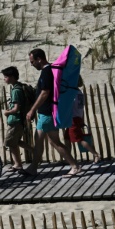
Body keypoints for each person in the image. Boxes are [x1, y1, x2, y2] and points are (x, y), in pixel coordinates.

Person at [23, 48, 80, 177]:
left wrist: (32, 110)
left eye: (32, 62)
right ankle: (33, 168)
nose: (31, 64)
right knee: (52, 141)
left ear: (39, 59)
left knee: (46, 141)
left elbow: (45, 93)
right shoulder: (48, 71)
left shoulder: (47, 72)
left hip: (47, 113)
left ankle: (74, 166)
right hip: (48, 112)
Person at [0, 66, 33, 172]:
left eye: (6, 76)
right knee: (15, 141)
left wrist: (7, 112)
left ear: (12, 77)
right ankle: (34, 152)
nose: (4, 79)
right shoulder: (18, 87)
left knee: (9, 142)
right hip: (18, 120)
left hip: (15, 121)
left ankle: (18, 164)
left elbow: (16, 108)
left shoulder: (16, 90)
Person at [63, 76, 101, 164]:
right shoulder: (79, 92)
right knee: (67, 138)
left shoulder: (72, 93)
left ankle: (96, 154)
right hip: (78, 117)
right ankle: (68, 159)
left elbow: (69, 106)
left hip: (73, 119)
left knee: (79, 139)